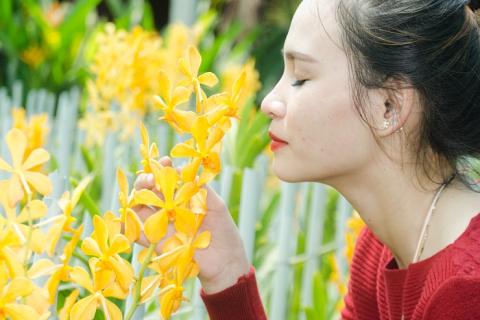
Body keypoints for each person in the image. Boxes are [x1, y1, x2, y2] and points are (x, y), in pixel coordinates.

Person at [134, 0, 480, 319]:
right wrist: (227, 272)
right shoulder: (380, 249)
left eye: (300, 77)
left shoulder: (466, 292)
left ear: (389, 106)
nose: (269, 101)